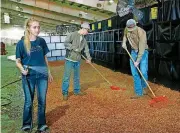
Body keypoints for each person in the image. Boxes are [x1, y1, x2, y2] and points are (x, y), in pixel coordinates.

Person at [16, 17, 53, 133]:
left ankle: (41, 125)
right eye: (34, 27)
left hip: (42, 75)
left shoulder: (41, 41)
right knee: (28, 101)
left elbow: (45, 57)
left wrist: (49, 72)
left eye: (38, 27)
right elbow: (18, 61)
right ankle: (26, 124)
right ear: (28, 28)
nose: (37, 29)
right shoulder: (21, 43)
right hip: (29, 76)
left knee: (42, 101)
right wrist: (22, 69)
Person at [62, 22, 92, 101]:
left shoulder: (84, 40)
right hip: (69, 59)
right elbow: (66, 43)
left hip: (77, 60)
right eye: (87, 30)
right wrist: (73, 48)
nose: (87, 32)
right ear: (83, 29)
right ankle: (65, 92)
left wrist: (89, 58)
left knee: (77, 77)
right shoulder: (72, 34)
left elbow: (86, 49)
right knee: (66, 77)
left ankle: (76, 91)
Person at [122, 19, 148, 99]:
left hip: (143, 52)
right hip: (133, 52)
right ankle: (138, 92)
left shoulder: (141, 32)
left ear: (135, 25)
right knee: (135, 73)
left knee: (143, 72)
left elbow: (142, 47)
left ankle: (144, 88)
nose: (130, 30)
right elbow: (125, 35)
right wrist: (124, 42)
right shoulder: (126, 29)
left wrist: (138, 60)